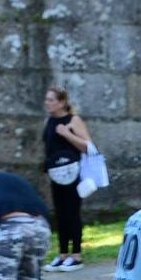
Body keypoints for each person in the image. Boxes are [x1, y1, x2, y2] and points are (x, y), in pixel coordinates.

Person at [41, 86, 93, 269]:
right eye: (46, 100)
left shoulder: (73, 120)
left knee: (72, 212)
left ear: (62, 102)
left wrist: (67, 134)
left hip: (74, 173)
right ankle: (62, 254)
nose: (47, 103)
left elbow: (88, 146)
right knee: (60, 213)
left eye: (51, 100)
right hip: (57, 174)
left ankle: (76, 255)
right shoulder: (49, 121)